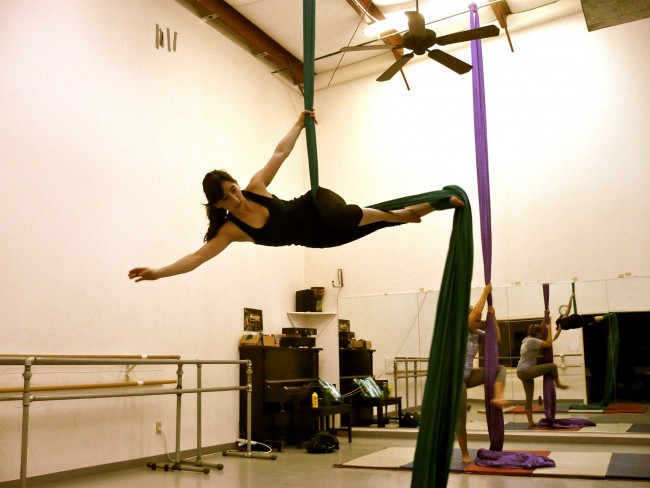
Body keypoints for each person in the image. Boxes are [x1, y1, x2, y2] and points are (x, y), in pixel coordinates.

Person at [129, 110, 463, 282]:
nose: (236, 199)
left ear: (236, 184)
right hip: (318, 238)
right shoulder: (231, 231)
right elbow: (196, 258)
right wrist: (158, 272)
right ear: (218, 205)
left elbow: (280, 153)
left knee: (346, 215)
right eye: (227, 199)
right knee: (379, 223)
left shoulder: (256, 187)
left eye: (233, 189)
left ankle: (400, 214)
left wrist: (299, 124)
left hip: (317, 204)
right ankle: (440, 203)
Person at [456, 283, 509, 463]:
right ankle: (464, 453)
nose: (478, 321)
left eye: (480, 319)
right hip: (456, 380)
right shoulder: (459, 331)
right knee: (461, 417)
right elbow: (474, 314)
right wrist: (485, 293)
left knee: (499, 369)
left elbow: (497, 339)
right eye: (476, 318)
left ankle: (498, 397)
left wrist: (492, 317)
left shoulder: (476, 333)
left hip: (468, 375)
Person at [517, 317, 569, 428]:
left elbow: (541, 330)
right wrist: (549, 329)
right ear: (536, 333)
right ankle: (558, 383)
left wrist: (545, 317)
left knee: (529, 397)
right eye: (540, 333)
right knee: (552, 366)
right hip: (526, 370)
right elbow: (548, 344)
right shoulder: (532, 341)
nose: (541, 335)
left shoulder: (527, 339)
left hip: (521, 371)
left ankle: (530, 422)